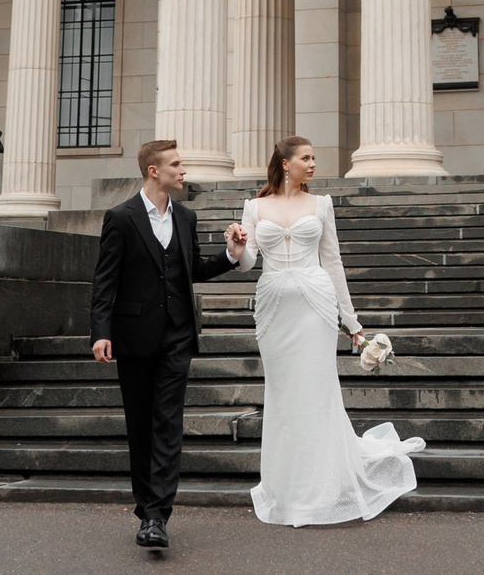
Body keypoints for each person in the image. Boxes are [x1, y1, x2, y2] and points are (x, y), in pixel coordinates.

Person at [238, 136, 422, 525]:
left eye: (314, 157)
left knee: (315, 390)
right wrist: (237, 248)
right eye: (306, 158)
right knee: (284, 394)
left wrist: (352, 322)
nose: (313, 163)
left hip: (315, 305)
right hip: (273, 306)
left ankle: (318, 491)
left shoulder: (321, 204)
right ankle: (285, 486)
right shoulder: (254, 207)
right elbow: (248, 262)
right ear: (285, 164)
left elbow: (332, 263)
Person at [91, 139, 248, 551]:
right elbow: (105, 280)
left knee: (167, 424)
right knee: (140, 426)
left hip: (177, 335)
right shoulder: (120, 218)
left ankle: (158, 515)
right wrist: (101, 331)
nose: (183, 171)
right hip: (133, 337)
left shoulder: (187, 217)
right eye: (176, 165)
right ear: (153, 171)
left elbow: (190, 268)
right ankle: (146, 510)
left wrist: (230, 256)